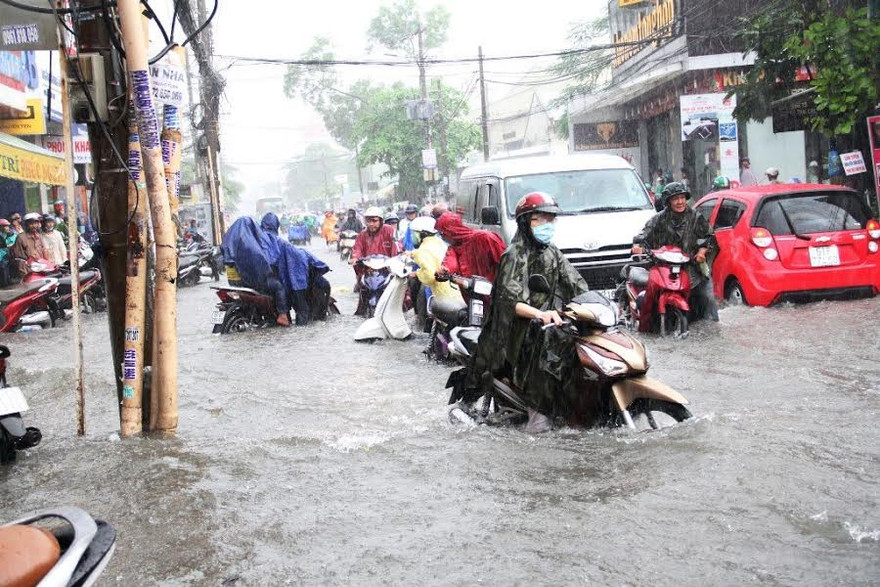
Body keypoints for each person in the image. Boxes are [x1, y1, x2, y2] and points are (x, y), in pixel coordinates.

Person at [459, 192, 589, 433]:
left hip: (548, 322)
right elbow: (511, 301)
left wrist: (596, 307)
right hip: (516, 330)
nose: (548, 224)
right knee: (550, 344)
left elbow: (577, 284)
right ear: (526, 222)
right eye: (541, 219)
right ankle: (539, 411)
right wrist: (540, 314)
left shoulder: (552, 252)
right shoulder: (513, 255)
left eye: (551, 219)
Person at [632, 182, 719, 328]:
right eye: (675, 199)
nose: (680, 202)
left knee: (706, 297)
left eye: (682, 198)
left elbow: (709, 237)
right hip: (665, 269)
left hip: (692, 269)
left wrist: (702, 251)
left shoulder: (696, 217)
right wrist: (638, 246)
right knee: (652, 296)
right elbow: (643, 235)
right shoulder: (658, 219)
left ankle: (711, 328)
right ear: (668, 202)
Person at [350, 207, 400, 316]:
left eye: (374, 221)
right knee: (362, 287)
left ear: (381, 221)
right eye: (368, 221)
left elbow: (396, 247)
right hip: (369, 269)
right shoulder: (362, 234)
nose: (371, 224)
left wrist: (395, 260)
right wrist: (355, 258)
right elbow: (357, 248)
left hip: (387, 269)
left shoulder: (389, 231)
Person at [435, 212, 506, 283]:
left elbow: (505, 263)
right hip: (473, 289)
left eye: (442, 233)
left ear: (451, 231)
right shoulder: (454, 249)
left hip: (496, 286)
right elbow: (450, 264)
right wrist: (443, 271)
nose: (442, 238)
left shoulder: (485, 238)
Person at [409, 216, 462, 305]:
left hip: (444, 296)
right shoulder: (439, 242)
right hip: (456, 290)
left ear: (422, 234)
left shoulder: (421, 251)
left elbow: (429, 276)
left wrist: (417, 273)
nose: (412, 236)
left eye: (414, 233)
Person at [10, 213, 49, 278]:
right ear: (26, 224)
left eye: (36, 223)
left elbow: (44, 252)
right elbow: (19, 259)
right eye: (31, 223)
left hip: (41, 270)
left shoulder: (39, 236)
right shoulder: (21, 237)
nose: (34, 226)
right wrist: (25, 274)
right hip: (28, 272)